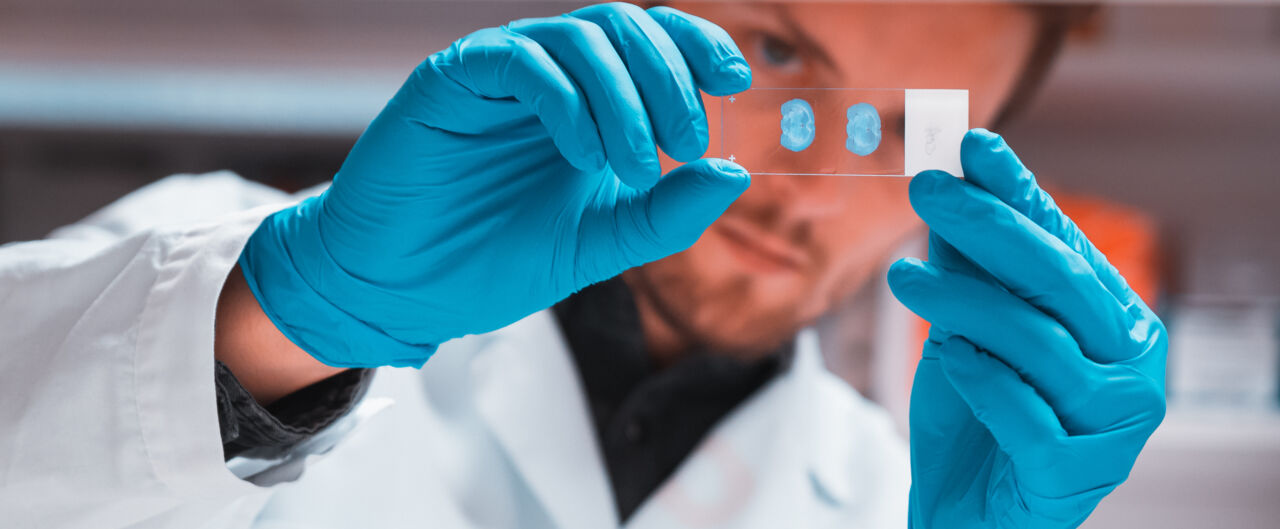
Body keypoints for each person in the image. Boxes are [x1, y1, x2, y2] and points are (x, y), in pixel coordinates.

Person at [0, 2, 1167, 528]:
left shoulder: (885, 503)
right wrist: (284, 324)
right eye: (773, 56)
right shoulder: (201, 270)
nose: (804, 184)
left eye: (896, 129)